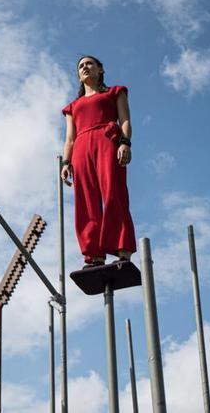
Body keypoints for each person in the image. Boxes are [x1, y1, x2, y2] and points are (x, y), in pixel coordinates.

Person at [60, 55, 136, 268]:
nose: (85, 68)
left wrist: (125, 142)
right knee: (85, 200)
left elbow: (126, 120)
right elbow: (69, 138)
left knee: (114, 192)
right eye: (81, 66)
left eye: (89, 64)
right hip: (81, 148)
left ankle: (123, 248)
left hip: (107, 140)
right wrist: (66, 163)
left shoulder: (115, 92)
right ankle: (94, 255)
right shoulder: (72, 107)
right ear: (78, 75)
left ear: (100, 69)